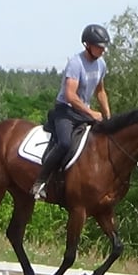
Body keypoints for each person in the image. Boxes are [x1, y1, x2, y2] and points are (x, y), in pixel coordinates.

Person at [30, 23, 112, 200]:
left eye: (104, 47)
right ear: (87, 45)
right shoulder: (76, 64)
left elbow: (100, 91)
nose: (103, 51)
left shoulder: (101, 65)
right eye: (99, 47)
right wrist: (91, 114)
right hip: (65, 112)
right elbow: (70, 95)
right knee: (65, 143)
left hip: (84, 113)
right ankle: (41, 182)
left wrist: (107, 115)